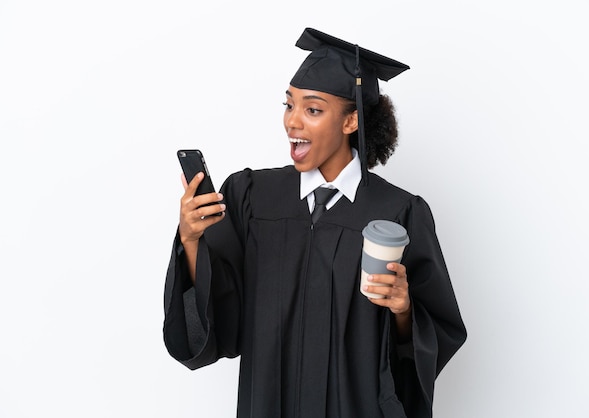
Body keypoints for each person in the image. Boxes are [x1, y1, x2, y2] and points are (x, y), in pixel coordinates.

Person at [163, 27, 466, 418]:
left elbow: (434, 336)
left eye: (313, 109)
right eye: (289, 105)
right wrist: (190, 240)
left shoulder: (398, 212)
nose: (293, 122)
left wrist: (404, 311)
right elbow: (222, 309)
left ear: (351, 121)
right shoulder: (253, 197)